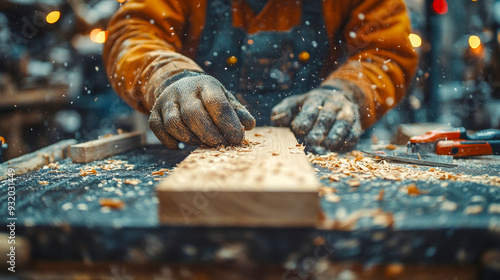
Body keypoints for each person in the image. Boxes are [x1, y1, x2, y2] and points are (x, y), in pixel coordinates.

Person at [103, 0, 418, 153]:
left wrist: (347, 93)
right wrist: (171, 78)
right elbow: (134, 32)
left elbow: (386, 52)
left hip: (322, 153)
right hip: (196, 150)